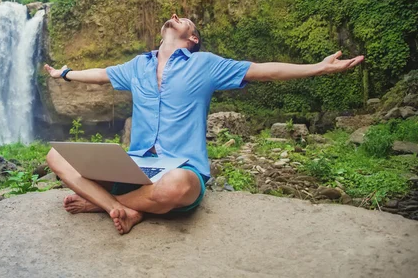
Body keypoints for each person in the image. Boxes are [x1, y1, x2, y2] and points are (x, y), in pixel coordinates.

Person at [44, 14, 364, 235]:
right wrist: (65, 73)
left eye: (185, 20)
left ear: (192, 38)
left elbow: (265, 70)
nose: (176, 16)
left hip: (180, 169)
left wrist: (318, 68)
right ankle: (129, 207)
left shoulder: (205, 65)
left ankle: (102, 205)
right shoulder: (136, 65)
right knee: (56, 156)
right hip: (136, 165)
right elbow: (100, 74)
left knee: (176, 186)